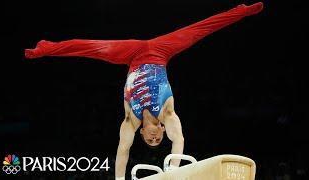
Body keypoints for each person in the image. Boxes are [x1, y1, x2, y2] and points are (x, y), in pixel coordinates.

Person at [25, 2, 263, 179]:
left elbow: (122, 152)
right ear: (161, 129)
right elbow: (178, 139)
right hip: (160, 53)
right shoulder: (167, 115)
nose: (154, 137)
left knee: (94, 47)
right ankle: (242, 11)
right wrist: (172, 172)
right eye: (158, 138)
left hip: (132, 55)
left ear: (141, 134)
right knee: (198, 30)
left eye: (150, 140)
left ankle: (47, 48)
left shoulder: (130, 121)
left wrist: (119, 179)